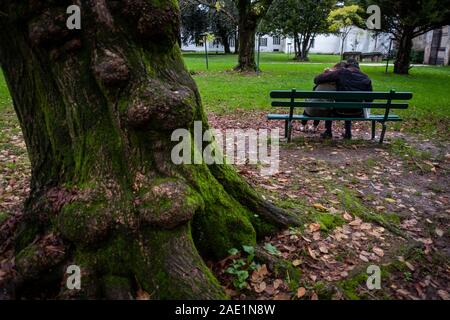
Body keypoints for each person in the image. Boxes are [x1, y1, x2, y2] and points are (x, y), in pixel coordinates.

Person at [314, 58, 373, 139]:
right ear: (358, 67)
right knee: (350, 104)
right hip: (358, 112)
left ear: (347, 66)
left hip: (340, 110)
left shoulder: (342, 73)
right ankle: (348, 133)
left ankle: (328, 132)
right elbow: (369, 99)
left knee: (331, 106)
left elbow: (317, 79)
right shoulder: (366, 78)